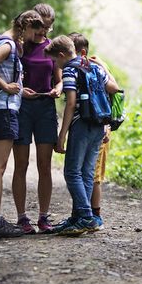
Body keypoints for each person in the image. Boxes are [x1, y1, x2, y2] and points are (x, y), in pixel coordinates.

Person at [0, 9, 42, 240]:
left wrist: (18, 90)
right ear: (26, 26)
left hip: (3, 108)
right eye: (36, 31)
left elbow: (4, 73)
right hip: (2, 110)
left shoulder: (6, 41)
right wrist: (5, 87)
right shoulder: (8, 45)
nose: (38, 36)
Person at [50, 33, 121, 235]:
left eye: (56, 60)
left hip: (81, 124)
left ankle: (86, 217)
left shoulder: (70, 71)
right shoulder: (95, 66)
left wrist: (62, 134)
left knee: (72, 172)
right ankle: (78, 218)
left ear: (62, 55)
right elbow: (114, 89)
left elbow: (71, 103)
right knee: (87, 173)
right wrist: (106, 68)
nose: (56, 65)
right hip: (99, 123)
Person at [11, 4, 65, 234]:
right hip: (22, 107)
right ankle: (22, 218)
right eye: (40, 26)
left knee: (45, 165)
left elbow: (59, 79)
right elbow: (9, 75)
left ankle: (44, 217)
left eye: (48, 27)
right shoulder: (18, 47)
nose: (43, 31)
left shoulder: (52, 49)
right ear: (31, 22)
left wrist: (59, 89)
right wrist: (20, 89)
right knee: (20, 165)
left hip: (45, 107)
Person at [69, 32, 118, 231]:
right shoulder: (84, 68)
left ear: (81, 52)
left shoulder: (94, 67)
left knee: (91, 174)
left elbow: (115, 89)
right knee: (85, 172)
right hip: (95, 124)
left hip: (99, 125)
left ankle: (93, 215)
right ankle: (82, 214)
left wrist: (104, 66)